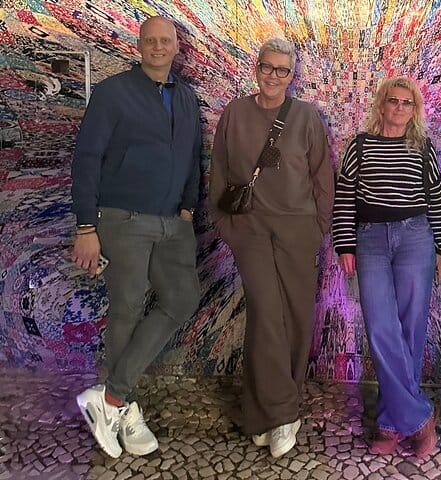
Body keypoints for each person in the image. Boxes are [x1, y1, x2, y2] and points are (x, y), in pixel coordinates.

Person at [71, 16, 202, 459]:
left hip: (172, 223)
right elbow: (87, 158)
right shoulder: (112, 93)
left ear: (177, 47)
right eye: (151, 41)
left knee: (181, 298)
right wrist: (85, 226)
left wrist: (188, 209)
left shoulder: (186, 98)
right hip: (122, 219)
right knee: (126, 309)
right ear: (140, 45)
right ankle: (124, 408)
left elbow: (192, 157)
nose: (158, 47)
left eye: (166, 41)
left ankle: (110, 398)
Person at [208, 38, 334, 458]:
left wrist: (318, 227)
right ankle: (282, 414)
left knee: (296, 318)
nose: (274, 76)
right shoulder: (235, 114)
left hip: (298, 229)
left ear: (291, 75)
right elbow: (219, 171)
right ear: (256, 67)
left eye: (282, 70)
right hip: (251, 229)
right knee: (266, 314)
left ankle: (266, 413)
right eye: (268, 67)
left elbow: (322, 176)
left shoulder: (306, 116)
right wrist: (227, 226)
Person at [332, 77, 441, 459]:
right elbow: (345, 196)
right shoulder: (360, 146)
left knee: (411, 330)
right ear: (381, 105)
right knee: (382, 328)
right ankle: (419, 418)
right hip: (370, 241)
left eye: (406, 102)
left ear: (414, 110)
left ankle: (389, 423)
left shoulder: (422, 148)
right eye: (393, 101)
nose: (399, 108)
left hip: (416, 238)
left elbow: (437, 198)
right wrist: (344, 243)